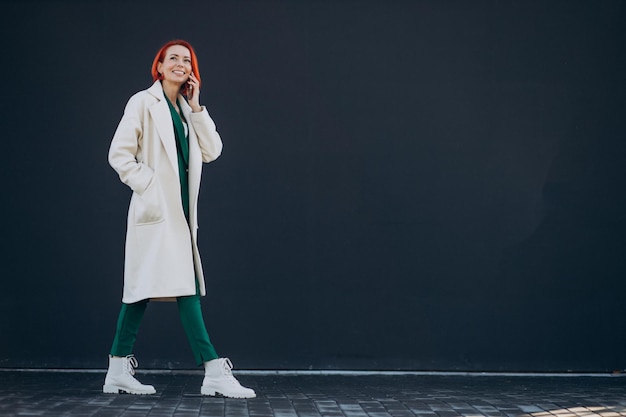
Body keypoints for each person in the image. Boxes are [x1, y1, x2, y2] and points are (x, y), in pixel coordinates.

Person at [103, 39, 255, 399]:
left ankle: (117, 369)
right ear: (159, 66)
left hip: (182, 217)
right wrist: (151, 187)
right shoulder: (143, 102)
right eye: (173, 58)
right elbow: (119, 155)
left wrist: (198, 107)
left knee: (140, 291)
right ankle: (214, 369)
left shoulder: (187, 110)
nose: (180, 64)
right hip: (156, 213)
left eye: (187, 60)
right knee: (180, 289)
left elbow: (212, 151)